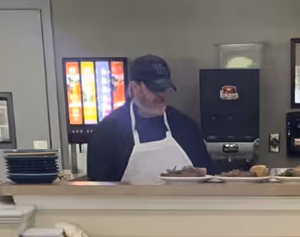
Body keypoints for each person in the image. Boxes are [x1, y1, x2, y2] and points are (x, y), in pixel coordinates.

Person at [86, 54, 212, 183]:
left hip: (183, 202)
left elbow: (208, 175)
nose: (161, 95)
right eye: (154, 89)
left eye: (164, 89)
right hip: (131, 203)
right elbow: (99, 188)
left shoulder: (185, 126)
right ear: (134, 88)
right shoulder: (108, 131)